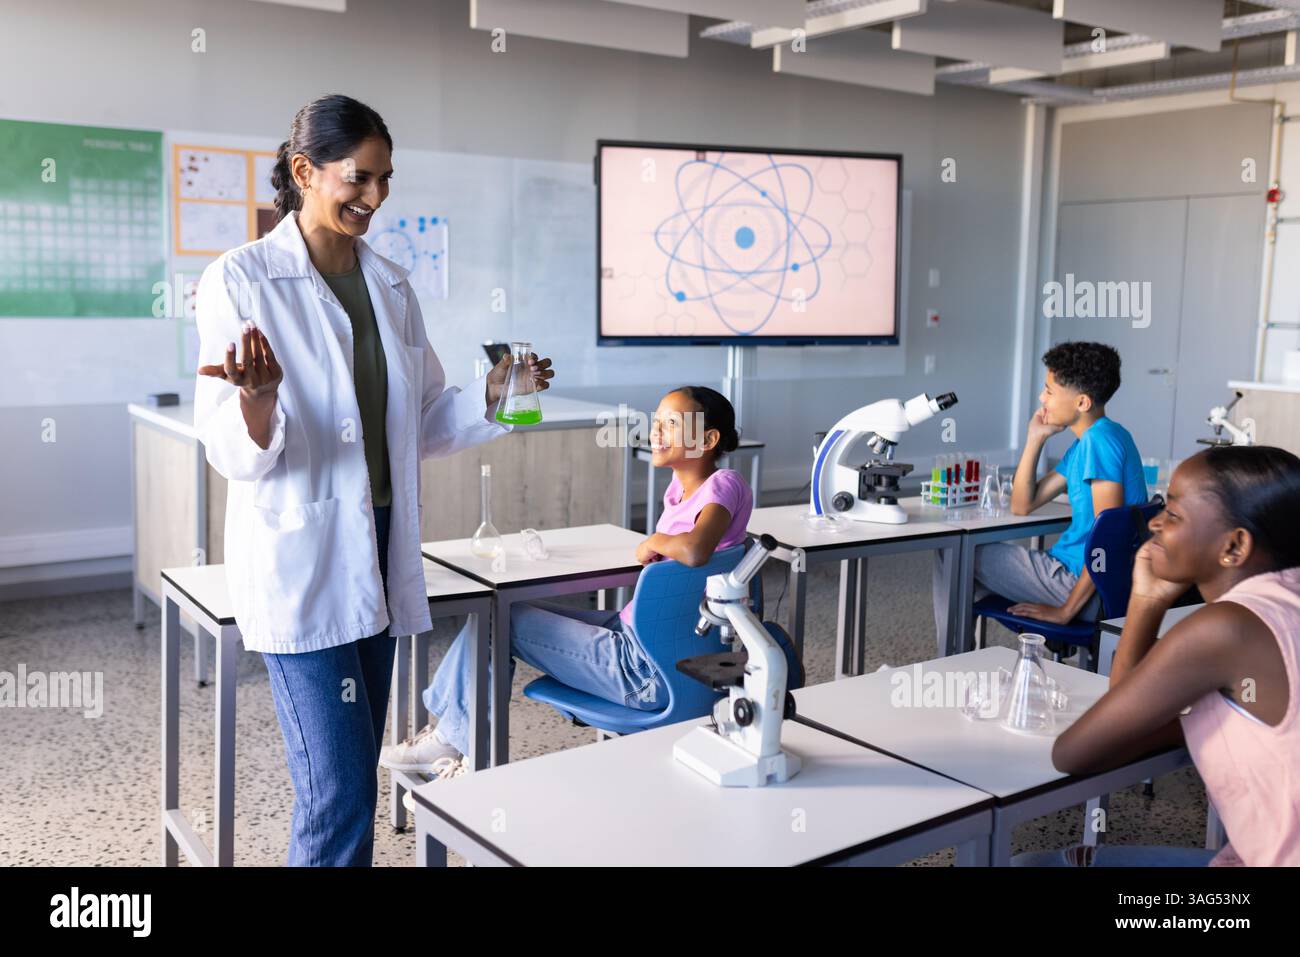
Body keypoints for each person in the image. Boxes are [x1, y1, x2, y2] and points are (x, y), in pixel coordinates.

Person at [193, 94, 553, 866]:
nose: (376, 198)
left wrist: (493, 395)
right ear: (303, 172)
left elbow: (418, 419)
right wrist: (256, 399)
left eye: (386, 179)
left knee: (351, 778)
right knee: (338, 795)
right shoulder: (241, 279)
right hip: (303, 562)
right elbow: (228, 443)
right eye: (359, 178)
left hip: (382, 553)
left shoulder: (390, 284)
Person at [381, 386, 754, 779]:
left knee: (496, 622)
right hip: (648, 641)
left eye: (671, 424)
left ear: (709, 439)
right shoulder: (681, 488)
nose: (656, 431)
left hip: (644, 670)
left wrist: (656, 542)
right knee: (501, 610)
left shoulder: (723, 484)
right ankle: (452, 733)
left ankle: (455, 743)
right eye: (656, 421)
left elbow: (695, 551)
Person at [1015, 446, 1300, 866]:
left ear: (1234, 546)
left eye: (1174, 514)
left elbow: (1075, 753)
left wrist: (1146, 602)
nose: (1154, 523)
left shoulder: (1224, 629)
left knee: (1032, 865)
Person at [933, 341, 1147, 656]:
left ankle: (951, 659)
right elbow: (1023, 504)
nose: (1041, 398)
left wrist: (1066, 610)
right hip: (1082, 578)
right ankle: (965, 654)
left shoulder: (1097, 444)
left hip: (1082, 586)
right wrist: (1035, 438)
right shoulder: (1096, 439)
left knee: (954, 555)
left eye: (1049, 391)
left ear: (1082, 402)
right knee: (966, 573)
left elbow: (1109, 540)